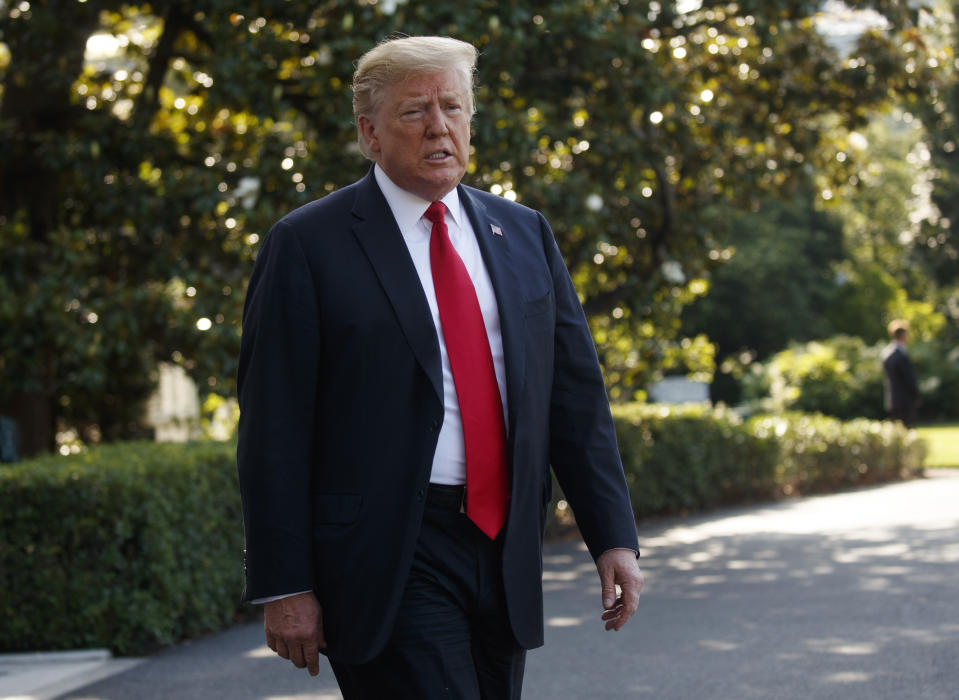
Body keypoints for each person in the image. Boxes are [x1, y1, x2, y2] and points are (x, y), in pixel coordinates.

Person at [236, 35, 643, 699]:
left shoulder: (523, 234)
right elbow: (272, 426)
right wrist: (284, 583)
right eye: (414, 112)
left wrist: (612, 538)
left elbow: (574, 399)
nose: (438, 127)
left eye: (453, 108)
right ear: (369, 133)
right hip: (387, 550)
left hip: (503, 542)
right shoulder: (307, 245)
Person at [880, 319, 920, 428]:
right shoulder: (900, 354)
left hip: (892, 400)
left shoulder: (886, 353)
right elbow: (908, 378)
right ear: (903, 335)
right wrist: (915, 395)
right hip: (905, 401)